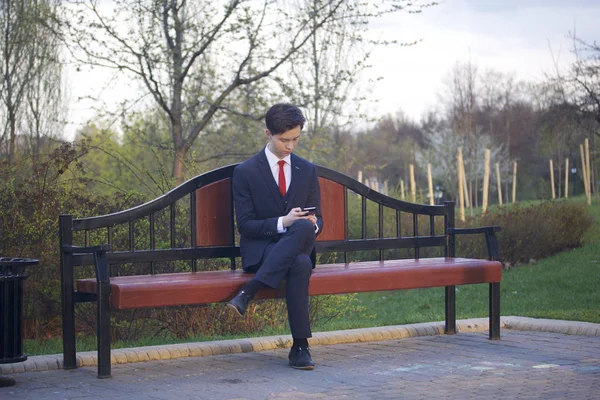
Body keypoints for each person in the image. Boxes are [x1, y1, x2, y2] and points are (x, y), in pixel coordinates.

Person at [228, 103, 323, 370]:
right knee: (301, 263)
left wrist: (314, 224)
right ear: (268, 133)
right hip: (261, 250)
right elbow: (245, 226)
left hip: (297, 243)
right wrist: (285, 221)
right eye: (284, 140)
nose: (290, 146)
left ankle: (250, 291)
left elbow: (320, 219)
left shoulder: (307, 169)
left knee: (305, 232)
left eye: (295, 139)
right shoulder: (245, 172)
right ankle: (301, 347)